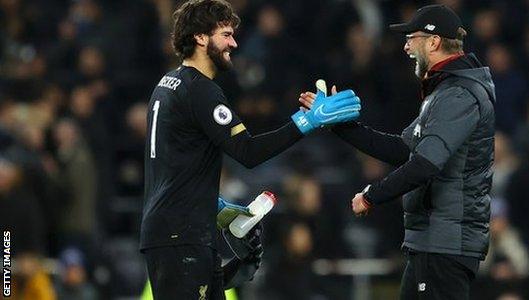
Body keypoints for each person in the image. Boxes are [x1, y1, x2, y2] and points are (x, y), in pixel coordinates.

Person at [140, 0, 361, 299]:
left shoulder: (166, 84)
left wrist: (215, 206)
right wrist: (306, 122)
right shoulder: (201, 90)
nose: (233, 43)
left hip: (172, 230)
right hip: (183, 237)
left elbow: (174, 162)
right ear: (201, 38)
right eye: (226, 34)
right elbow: (248, 151)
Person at [300, 4, 495, 299]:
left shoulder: (459, 94)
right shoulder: (444, 91)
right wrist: (339, 126)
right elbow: (402, 149)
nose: (405, 46)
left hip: (445, 242)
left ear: (433, 41)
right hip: (431, 241)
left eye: (411, 38)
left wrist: (372, 195)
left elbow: (425, 164)